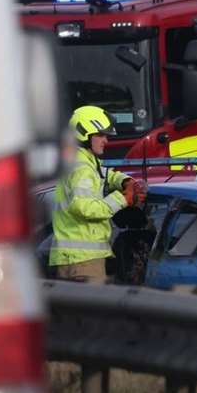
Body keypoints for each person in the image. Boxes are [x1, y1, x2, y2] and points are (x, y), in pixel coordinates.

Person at [47, 106, 143, 283]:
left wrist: (124, 181)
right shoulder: (82, 168)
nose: (106, 140)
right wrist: (123, 199)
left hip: (75, 259)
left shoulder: (79, 161)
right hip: (84, 262)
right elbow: (85, 208)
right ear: (84, 134)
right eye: (101, 135)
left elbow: (102, 174)